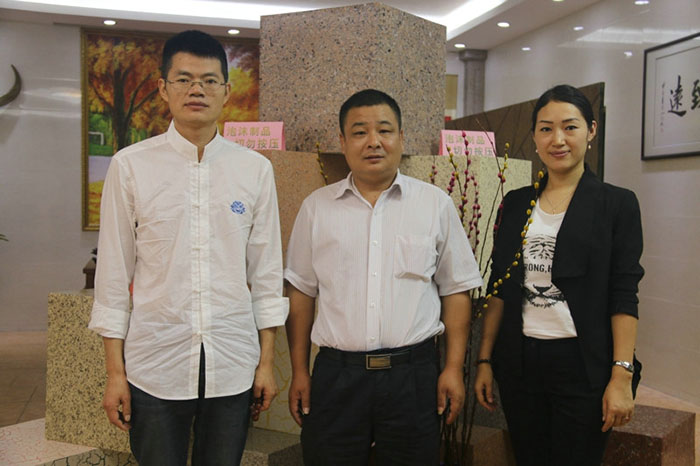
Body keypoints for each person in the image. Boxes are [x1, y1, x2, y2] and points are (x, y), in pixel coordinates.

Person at [88, 30, 288, 466]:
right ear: (163, 88)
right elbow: (114, 276)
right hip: (155, 363)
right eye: (184, 79)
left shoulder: (254, 170)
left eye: (209, 80)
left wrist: (266, 363)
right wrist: (115, 374)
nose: (197, 89)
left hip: (232, 363)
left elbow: (267, 274)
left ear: (226, 91)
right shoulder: (130, 166)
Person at [284, 88, 483, 465]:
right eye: (359, 132)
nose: (373, 141)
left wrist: (453, 368)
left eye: (385, 130)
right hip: (337, 377)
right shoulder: (316, 208)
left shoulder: (434, 204)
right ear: (342, 142)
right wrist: (299, 371)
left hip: (413, 377)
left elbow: (456, 289)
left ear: (401, 138)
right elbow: (301, 293)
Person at [474, 84, 644, 466]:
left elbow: (624, 292)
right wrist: (484, 359)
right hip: (521, 364)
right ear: (535, 136)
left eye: (570, 127)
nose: (558, 139)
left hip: (582, 365)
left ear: (591, 130)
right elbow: (499, 287)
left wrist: (621, 375)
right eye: (546, 129)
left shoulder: (616, 204)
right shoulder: (516, 203)